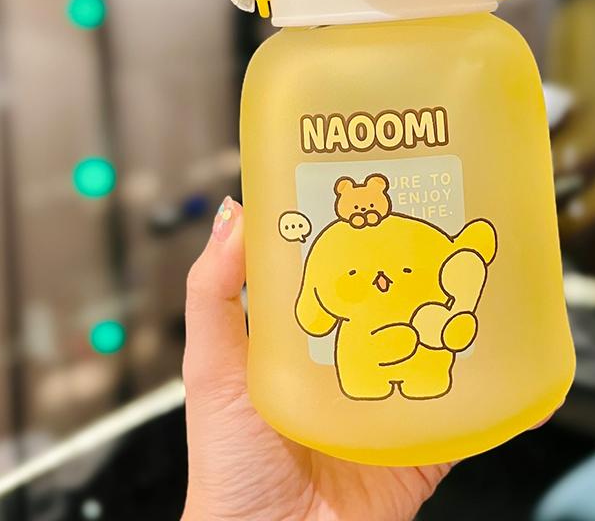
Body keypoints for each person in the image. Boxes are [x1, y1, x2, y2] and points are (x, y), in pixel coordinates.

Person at [182, 197, 552, 521]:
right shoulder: (330, 248)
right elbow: (312, 307)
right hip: (349, 384)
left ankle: (440, 327)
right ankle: (437, 329)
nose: (381, 279)